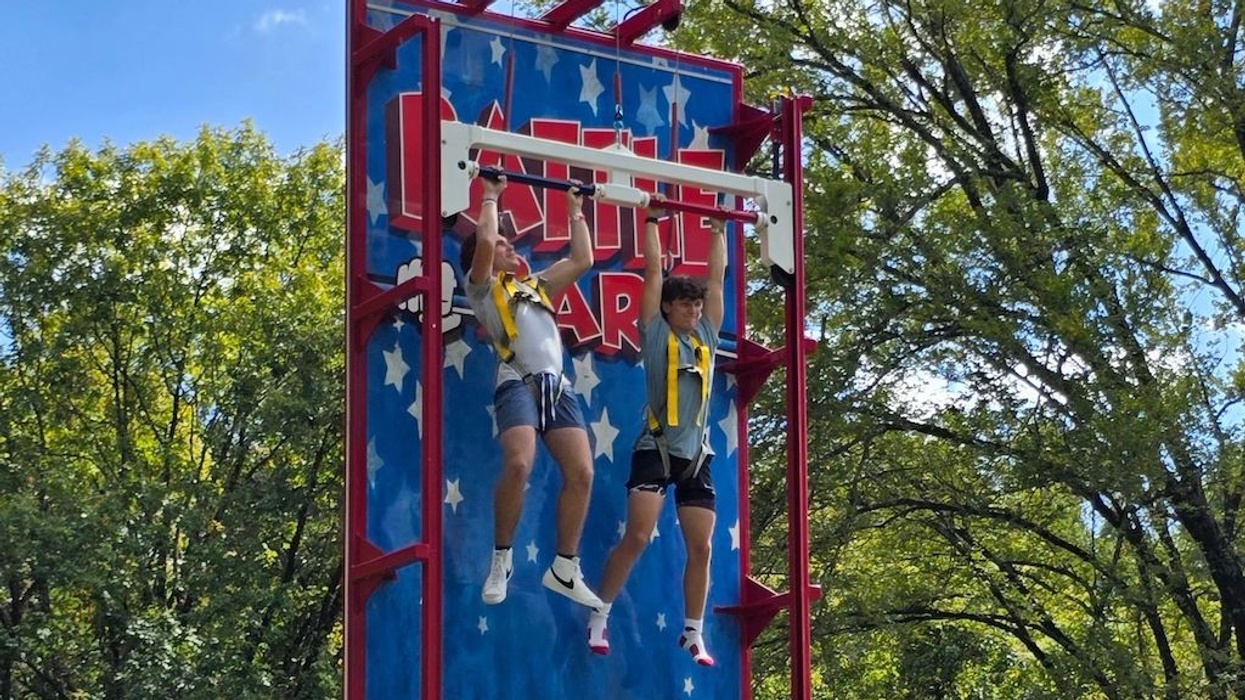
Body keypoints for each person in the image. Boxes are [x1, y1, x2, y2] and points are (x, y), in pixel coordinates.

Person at [587, 201, 726, 666]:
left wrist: (719, 229)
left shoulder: (707, 336)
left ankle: (693, 631)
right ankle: (599, 614)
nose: (694, 309)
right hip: (657, 448)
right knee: (639, 537)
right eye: (685, 304)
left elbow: (717, 280)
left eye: (696, 304)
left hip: (697, 457)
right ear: (668, 308)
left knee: (702, 546)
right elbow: (651, 273)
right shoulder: (656, 333)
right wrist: (650, 221)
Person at [461, 175, 603, 610]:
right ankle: (501, 558)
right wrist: (490, 196)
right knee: (520, 463)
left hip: (557, 386)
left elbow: (582, 259)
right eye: (503, 244)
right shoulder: (483, 287)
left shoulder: (537, 285)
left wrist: (575, 209)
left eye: (509, 243)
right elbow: (485, 242)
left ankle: (565, 567)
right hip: (518, 380)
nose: (508, 247)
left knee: (582, 473)